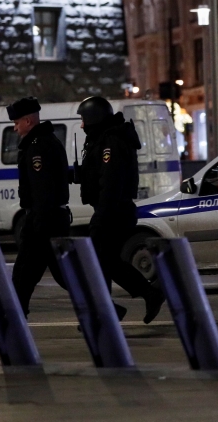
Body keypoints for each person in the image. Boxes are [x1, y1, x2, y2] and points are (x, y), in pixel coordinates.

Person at [76, 96, 164, 324]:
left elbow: (111, 182)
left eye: (84, 119)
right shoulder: (105, 139)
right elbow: (96, 174)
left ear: (95, 118)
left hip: (113, 212)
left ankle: (105, 312)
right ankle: (142, 297)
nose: (82, 125)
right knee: (106, 261)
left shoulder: (111, 142)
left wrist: (101, 217)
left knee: (99, 260)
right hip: (113, 211)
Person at [7, 97, 73, 317]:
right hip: (49, 219)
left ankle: (12, 323)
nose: (15, 128)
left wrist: (37, 225)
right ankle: (107, 310)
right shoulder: (44, 142)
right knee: (65, 275)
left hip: (44, 221)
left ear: (28, 121)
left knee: (23, 275)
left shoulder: (38, 147)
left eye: (16, 123)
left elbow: (41, 190)